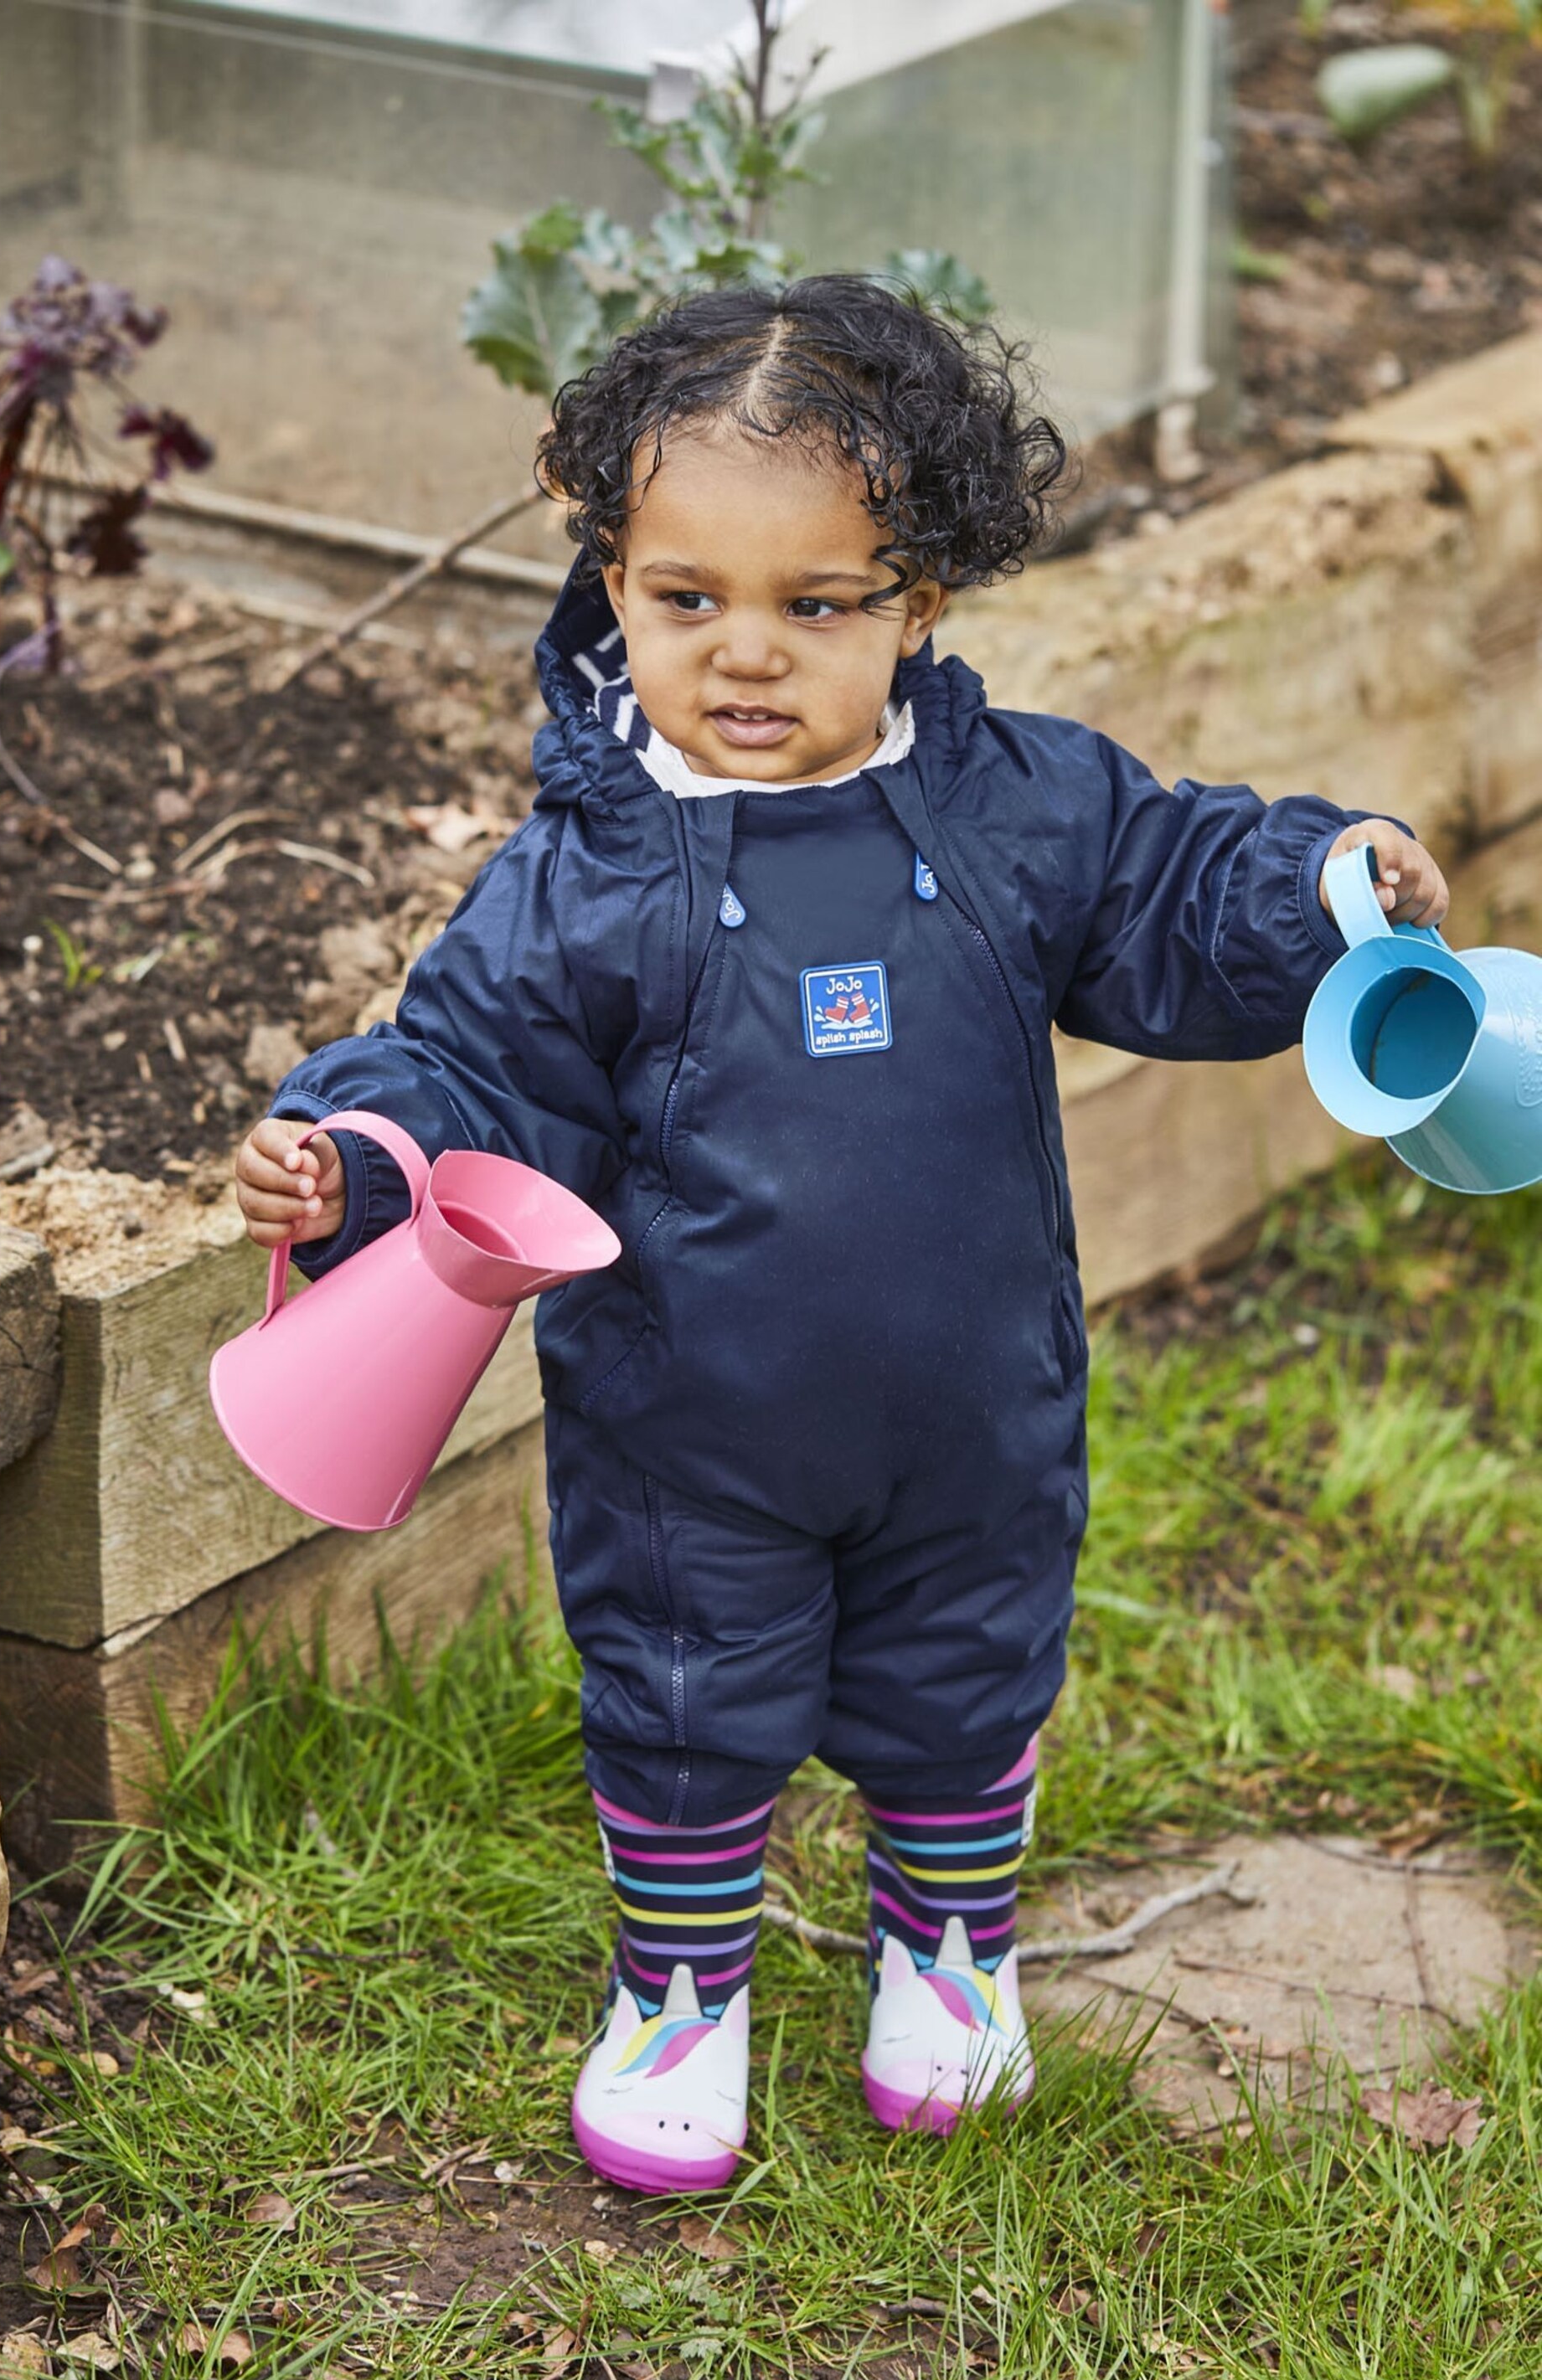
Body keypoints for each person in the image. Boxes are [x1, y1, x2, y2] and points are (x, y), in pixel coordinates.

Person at [232, 276, 1450, 2196]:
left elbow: (1173, 890)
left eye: (819, 606)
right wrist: (356, 1162)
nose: (744, 654)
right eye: (685, 597)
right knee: (684, 1699)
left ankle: (949, 1957)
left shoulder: (1014, 809)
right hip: (687, 1432)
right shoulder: (591, 873)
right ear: (611, 573)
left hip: (974, 1409)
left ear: (923, 601)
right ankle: (678, 1996)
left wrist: (1319, 892)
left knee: (965, 1677)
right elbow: (466, 1073)